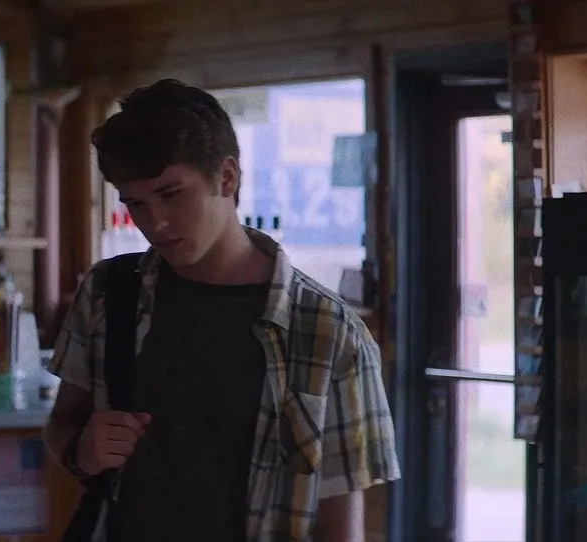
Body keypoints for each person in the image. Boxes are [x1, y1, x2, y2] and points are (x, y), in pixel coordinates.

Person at [44, 79, 399, 541]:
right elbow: (63, 422)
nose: (155, 222)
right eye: (136, 203)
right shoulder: (107, 292)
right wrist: (82, 452)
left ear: (228, 178)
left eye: (172, 193)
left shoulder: (329, 331)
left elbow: (342, 521)